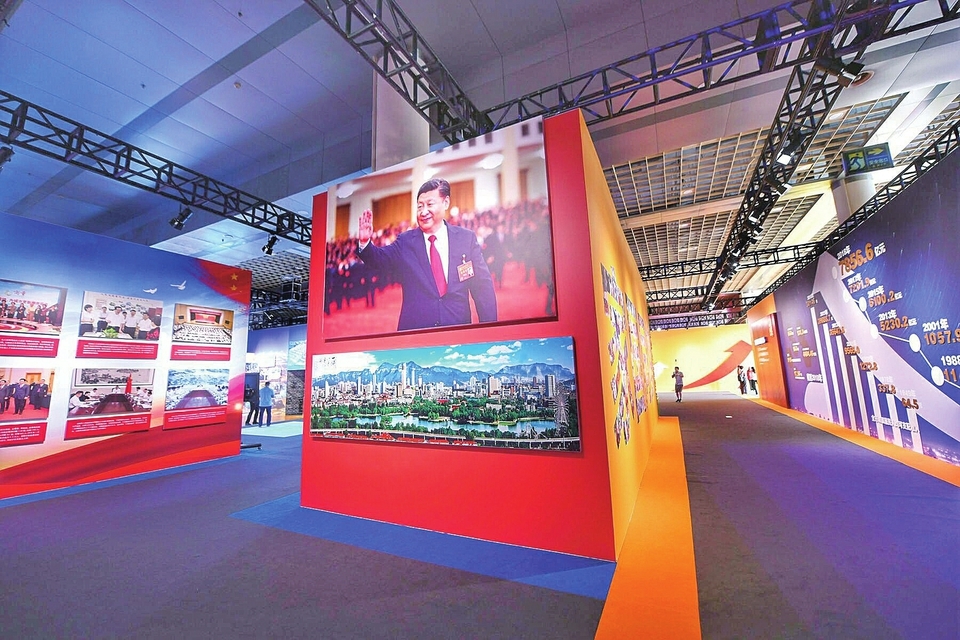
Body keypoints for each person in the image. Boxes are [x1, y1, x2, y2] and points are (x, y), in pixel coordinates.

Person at [356, 177, 497, 331]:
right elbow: (379, 260)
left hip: (457, 330)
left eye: (430, 204)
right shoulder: (406, 242)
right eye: (419, 206)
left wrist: (489, 329)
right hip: (417, 334)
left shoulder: (465, 239)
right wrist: (365, 243)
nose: (423, 212)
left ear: (446, 202)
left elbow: (482, 287)